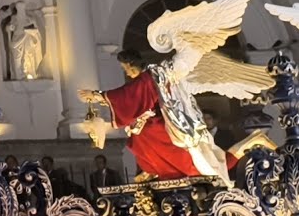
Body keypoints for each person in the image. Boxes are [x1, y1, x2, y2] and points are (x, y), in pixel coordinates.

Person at [79, 50, 233, 182]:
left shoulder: (147, 77)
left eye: (125, 68)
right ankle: (152, 168)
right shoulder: (142, 79)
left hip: (158, 121)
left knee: (143, 136)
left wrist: (98, 95)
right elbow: (130, 98)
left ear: (131, 64)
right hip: (149, 120)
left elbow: (127, 95)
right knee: (138, 138)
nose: (126, 72)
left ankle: (157, 168)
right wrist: (103, 99)